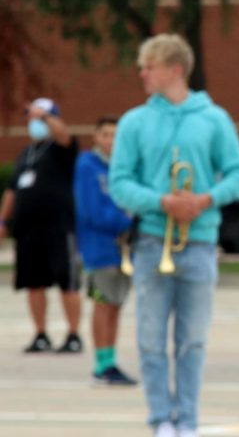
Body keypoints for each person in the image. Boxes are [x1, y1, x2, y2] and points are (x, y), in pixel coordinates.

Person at [109, 33, 239, 437]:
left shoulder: (214, 118)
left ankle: (187, 420)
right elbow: (119, 182)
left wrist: (205, 199)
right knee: (150, 339)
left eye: (148, 66)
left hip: (201, 242)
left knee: (192, 340)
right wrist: (161, 201)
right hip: (153, 241)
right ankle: (160, 421)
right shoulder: (134, 121)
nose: (142, 73)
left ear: (174, 70)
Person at [0, 98, 83, 354]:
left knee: (66, 282)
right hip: (28, 229)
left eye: (41, 118)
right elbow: (12, 190)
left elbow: (64, 134)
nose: (34, 123)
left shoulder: (62, 149)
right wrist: (3, 221)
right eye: (32, 118)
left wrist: (46, 117)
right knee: (33, 282)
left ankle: (72, 334)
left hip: (58, 227)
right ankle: (40, 334)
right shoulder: (26, 153)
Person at [74, 116, 139, 386]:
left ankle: (110, 360)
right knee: (102, 304)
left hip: (124, 249)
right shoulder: (87, 166)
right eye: (105, 135)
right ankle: (101, 365)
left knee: (116, 305)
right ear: (95, 137)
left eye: (116, 135)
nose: (111, 141)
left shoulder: (125, 167)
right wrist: (126, 220)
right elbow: (91, 210)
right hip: (99, 247)